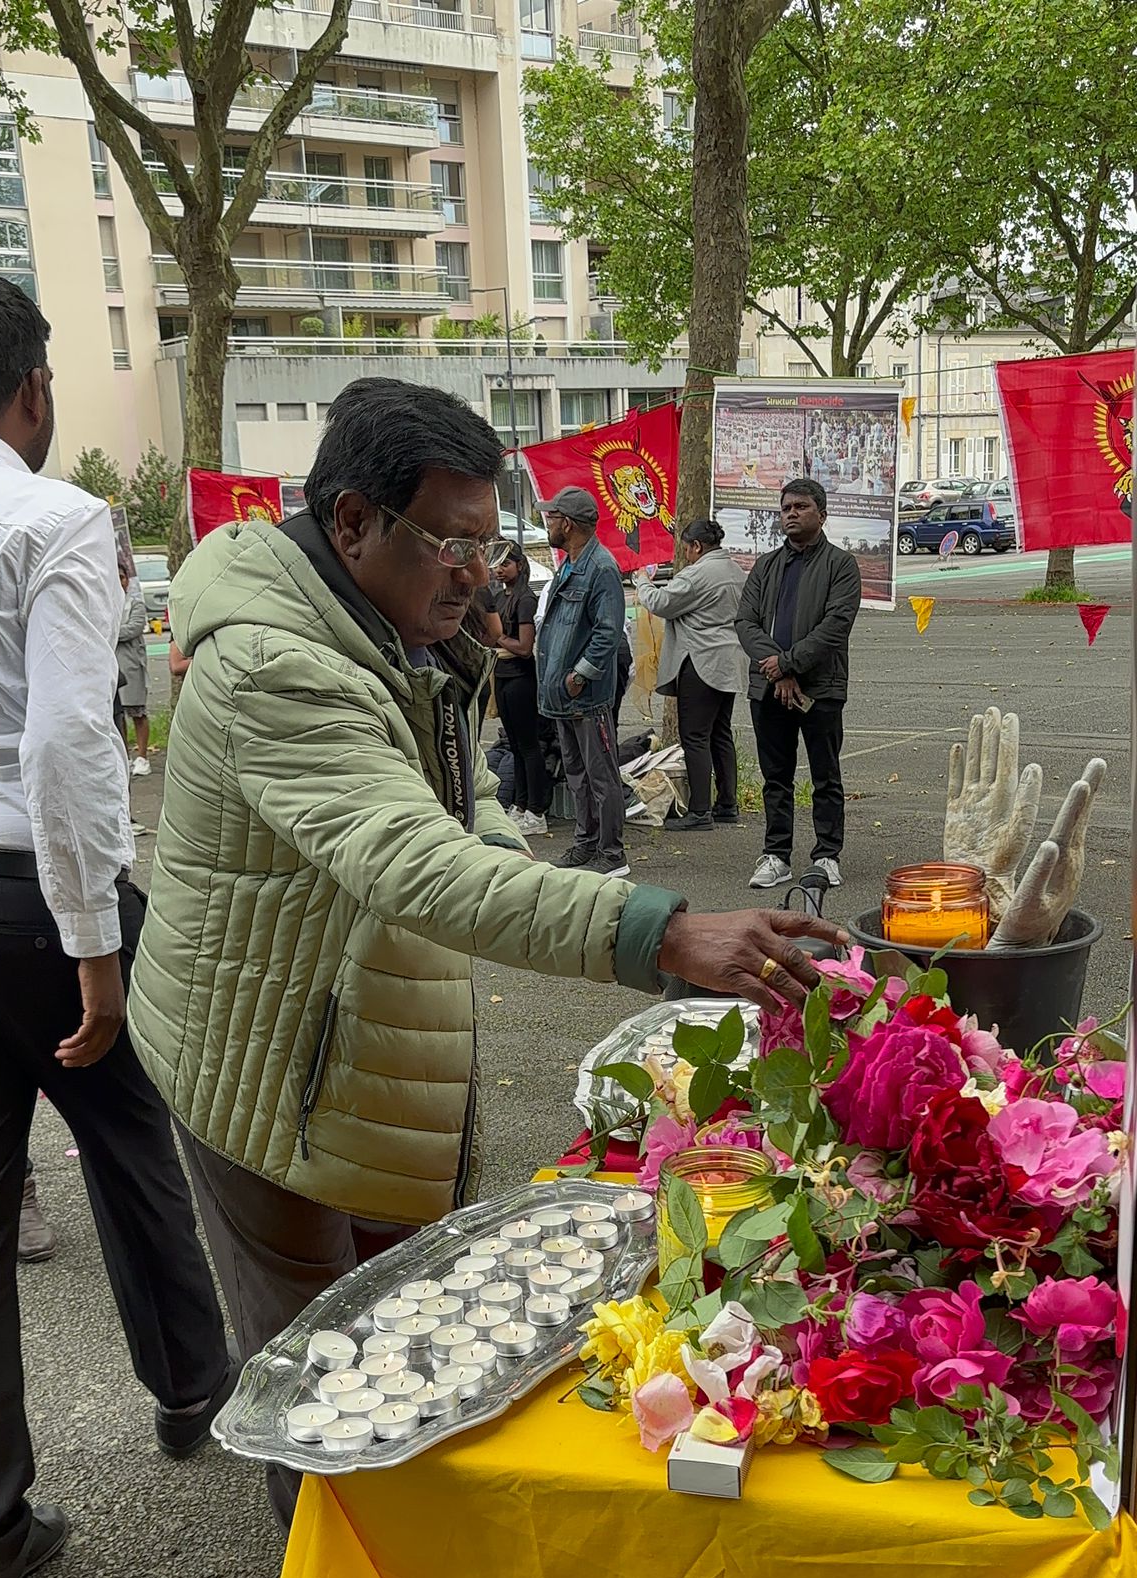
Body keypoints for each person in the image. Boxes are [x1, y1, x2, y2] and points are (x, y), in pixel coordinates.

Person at [125, 378, 844, 1505]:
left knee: (404, 1327)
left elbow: (465, 811)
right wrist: (660, 930)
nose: (478, 571)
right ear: (353, 521)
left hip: (364, 1045)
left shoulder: (397, 626)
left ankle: (400, 1553)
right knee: (319, 1378)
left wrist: (549, 879)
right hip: (266, 1067)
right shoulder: (276, 663)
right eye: (451, 543)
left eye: (490, 541)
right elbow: (414, 860)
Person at [0, 275, 235, 1578]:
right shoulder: (55, 518)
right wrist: (94, 941)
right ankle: (192, 1382)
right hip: (33, 888)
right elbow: (70, 737)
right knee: (131, 1134)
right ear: (33, 389)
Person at [736, 477, 862, 891]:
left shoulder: (841, 565)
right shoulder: (766, 565)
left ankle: (826, 856)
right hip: (769, 688)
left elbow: (835, 626)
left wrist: (788, 664)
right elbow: (745, 622)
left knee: (826, 776)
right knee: (776, 777)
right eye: (786, 507)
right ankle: (776, 855)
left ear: (822, 515)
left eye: (801, 507)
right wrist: (778, 671)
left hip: (820, 688)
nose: (791, 513)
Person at [535, 486, 628, 878]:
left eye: (552, 517)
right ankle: (586, 842)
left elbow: (608, 632)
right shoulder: (570, 564)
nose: (547, 523)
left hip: (585, 696)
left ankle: (612, 853)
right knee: (577, 774)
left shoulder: (601, 568)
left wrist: (579, 676)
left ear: (568, 524)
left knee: (601, 775)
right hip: (563, 695)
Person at [635, 518, 748, 832]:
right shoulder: (735, 570)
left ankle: (699, 811)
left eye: (685, 549)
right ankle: (727, 804)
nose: (685, 555)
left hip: (700, 662)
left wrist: (642, 581)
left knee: (695, 737)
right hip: (729, 662)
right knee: (720, 733)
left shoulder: (698, 574)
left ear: (697, 546)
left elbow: (661, 603)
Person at [489, 544, 550, 834]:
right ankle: (519, 804)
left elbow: (525, 647)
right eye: (497, 564)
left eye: (506, 564)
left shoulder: (525, 599)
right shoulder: (500, 597)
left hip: (520, 678)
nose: (499, 570)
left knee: (528, 746)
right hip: (501, 674)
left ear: (520, 565)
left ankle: (536, 810)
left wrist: (498, 637)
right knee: (513, 746)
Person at [115, 559, 151, 775]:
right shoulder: (106, 602)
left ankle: (143, 757)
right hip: (112, 665)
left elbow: (133, 628)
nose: (119, 581)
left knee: (137, 711)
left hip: (131, 664)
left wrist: (109, 632)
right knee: (117, 715)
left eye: (122, 577)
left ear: (127, 580)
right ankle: (124, 756)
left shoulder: (135, 604)